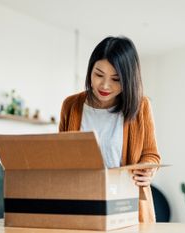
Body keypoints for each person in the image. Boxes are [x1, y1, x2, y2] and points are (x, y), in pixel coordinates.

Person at [59, 36, 161, 222]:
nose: (105, 85)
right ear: (90, 70)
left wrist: (147, 171)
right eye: (98, 74)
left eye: (116, 79)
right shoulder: (71, 105)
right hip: (82, 203)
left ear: (129, 80)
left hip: (127, 206)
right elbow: (62, 155)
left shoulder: (141, 106)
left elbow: (151, 155)